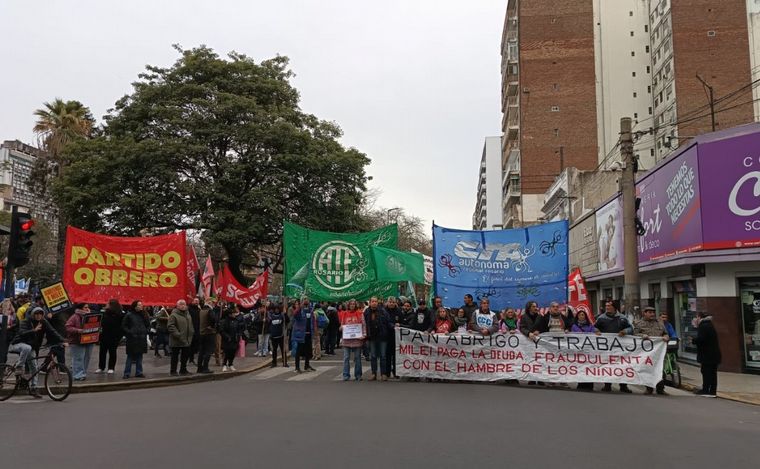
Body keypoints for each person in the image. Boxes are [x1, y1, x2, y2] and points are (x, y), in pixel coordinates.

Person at [13, 307, 66, 397]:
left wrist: (63, 340)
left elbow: (52, 331)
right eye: (36, 314)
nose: (38, 316)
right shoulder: (26, 321)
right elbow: (21, 333)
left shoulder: (43, 321)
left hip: (32, 347)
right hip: (19, 344)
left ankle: (33, 388)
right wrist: (34, 330)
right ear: (33, 314)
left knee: (34, 367)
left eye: (40, 314)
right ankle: (19, 367)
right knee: (27, 348)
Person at [595, 300, 634, 393]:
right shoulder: (601, 318)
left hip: (620, 348)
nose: (607, 307)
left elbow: (631, 328)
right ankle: (607, 385)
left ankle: (623, 386)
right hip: (606, 348)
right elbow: (594, 327)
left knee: (622, 366)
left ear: (614, 307)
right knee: (607, 366)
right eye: (606, 306)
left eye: (609, 306)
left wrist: (625, 331)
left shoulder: (622, 318)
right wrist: (596, 330)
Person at [633, 306, 670, 395]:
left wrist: (666, 337)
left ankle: (660, 388)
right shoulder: (639, 323)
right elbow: (634, 335)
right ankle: (649, 388)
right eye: (649, 312)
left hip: (658, 351)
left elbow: (665, 333)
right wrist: (642, 336)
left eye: (653, 312)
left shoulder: (660, 323)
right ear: (644, 313)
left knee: (660, 369)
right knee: (648, 369)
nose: (652, 314)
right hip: (646, 352)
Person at [693, 311, 721, 397]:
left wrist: (693, 340)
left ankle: (706, 390)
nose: (695, 319)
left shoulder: (703, 326)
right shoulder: (709, 325)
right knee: (712, 373)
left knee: (706, 372)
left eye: (696, 317)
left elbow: (701, 339)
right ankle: (712, 391)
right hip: (714, 354)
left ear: (699, 317)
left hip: (707, 355)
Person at [66, 304, 96, 381]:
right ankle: (77, 375)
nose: (87, 308)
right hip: (77, 341)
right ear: (80, 308)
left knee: (87, 358)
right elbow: (68, 327)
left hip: (88, 340)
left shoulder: (91, 316)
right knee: (78, 358)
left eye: (88, 307)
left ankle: (83, 373)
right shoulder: (74, 316)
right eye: (85, 307)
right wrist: (78, 330)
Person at [364, 297, 391, 381]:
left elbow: (388, 322)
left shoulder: (383, 311)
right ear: (370, 303)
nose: (374, 303)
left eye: (376, 301)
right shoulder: (367, 312)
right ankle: (373, 373)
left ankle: (383, 374)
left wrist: (394, 327)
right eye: (373, 301)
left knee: (383, 356)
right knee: (373, 356)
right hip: (372, 337)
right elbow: (363, 323)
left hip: (382, 337)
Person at [339, 298, 366, 381]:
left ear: (356, 305)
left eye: (353, 304)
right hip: (347, 340)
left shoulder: (360, 313)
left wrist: (364, 334)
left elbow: (363, 324)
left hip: (357, 339)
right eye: (351, 304)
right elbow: (342, 325)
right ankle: (345, 375)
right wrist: (341, 328)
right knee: (346, 357)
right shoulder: (344, 314)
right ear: (348, 305)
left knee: (357, 357)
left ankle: (358, 375)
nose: (352, 305)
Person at [122, 300, 149, 379]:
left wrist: (146, 331)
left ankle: (139, 372)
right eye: (139, 305)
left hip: (141, 338)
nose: (141, 306)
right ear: (135, 306)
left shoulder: (144, 314)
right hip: (132, 338)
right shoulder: (129, 315)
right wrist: (130, 332)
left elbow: (148, 324)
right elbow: (124, 326)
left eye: (141, 305)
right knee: (130, 356)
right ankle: (127, 373)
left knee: (139, 356)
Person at [96, 299, 124, 375]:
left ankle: (111, 367)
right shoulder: (104, 313)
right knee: (102, 352)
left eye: (108, 304)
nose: (106, 305)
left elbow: (121, 326)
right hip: (104, 335)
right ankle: (101, 367)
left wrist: (119, 336)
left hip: (114, 336)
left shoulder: (119, 314)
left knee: (112, 352)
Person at [571, 310, 597, 391]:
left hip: (588, 350)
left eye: (583, 315)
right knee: (580, 367)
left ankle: (589, 384)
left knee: (589, 367)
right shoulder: (574, 326)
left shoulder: (590, 326)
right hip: (579, 351)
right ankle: (581, 383)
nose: (582, 316)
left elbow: (593, 335)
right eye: (580, 315)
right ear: (577, 316)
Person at [168, 299, 195, 376]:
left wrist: (192, 332)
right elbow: (170, 326)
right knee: (175, 356)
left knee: (185, 356)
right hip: (177, 340)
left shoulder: (188, 314)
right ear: (177, 305)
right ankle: (173, 371)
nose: (183, 306)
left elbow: (190, 324)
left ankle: (183, 370)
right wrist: (178, 334)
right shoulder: (174, 315)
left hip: (186, 339)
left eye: (184, 304)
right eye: (181, 304)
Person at [292, 296, 317, 373]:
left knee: (308, 351)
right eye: (305, 299)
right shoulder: (300, 311)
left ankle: (307, 365)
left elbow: (313, 321)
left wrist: (315, 330)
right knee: (298, 351)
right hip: (301, 334)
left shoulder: (311, 310)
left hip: (309, 333)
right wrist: (300, 307)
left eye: (307, 299)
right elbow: (295, 315)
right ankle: (297, 367)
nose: (307, 301)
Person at [196, 301, 218, 374]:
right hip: (209, 333)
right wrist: (212, 326)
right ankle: (205, 367)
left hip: (202, 333)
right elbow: (214, 319)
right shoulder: (210, 311)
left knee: (201, 351)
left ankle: (199, 368)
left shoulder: (201, 311)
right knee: (208, 351)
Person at [219, 305, 243, 371]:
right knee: (227, 352)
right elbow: (221, 330)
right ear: (229, 314)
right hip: (227, 340)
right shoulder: (224, 321)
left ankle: (231, 364)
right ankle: (224, 364)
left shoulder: (236, 321)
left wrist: (238, 335)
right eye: (233, 313)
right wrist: (227, 337)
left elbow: (239, 329)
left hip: (234, 340)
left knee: (233, 352)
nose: (234, 314)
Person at [385, 297, 403, 378]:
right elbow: (384, 322)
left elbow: (401, 321)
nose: (391, 303)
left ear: (395, 303)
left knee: (396, 355)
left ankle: (396, 372)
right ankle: (387, 372)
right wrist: (392, 326)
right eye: (390, 302)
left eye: (393, 302)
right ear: (387, 302)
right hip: (387, 335)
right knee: (387, 355)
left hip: (396, 336)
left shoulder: (399, 311)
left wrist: (399, 324)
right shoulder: (384, 311)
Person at [268, 303, 287, 368]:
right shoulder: (271, 316)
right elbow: (269, 325)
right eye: (275, 309)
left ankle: (285, 362)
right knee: (274, 350)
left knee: (283, 350)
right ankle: (274, 363)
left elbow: (287, 320)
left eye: (277, 309)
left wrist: (285, 314)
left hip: (281, 336)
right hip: (273, 336)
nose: (276, 310)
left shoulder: (282, 316)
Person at [188, 297, 201, 366]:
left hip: (197, 330)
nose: (196, 302)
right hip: (190, 329)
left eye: (197, 301)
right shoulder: (189, 309)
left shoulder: (199, 309)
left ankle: (191, 359)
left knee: (194, 346)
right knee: (189, 345)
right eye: (195, 301)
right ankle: (187, 358)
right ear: (192, 301)